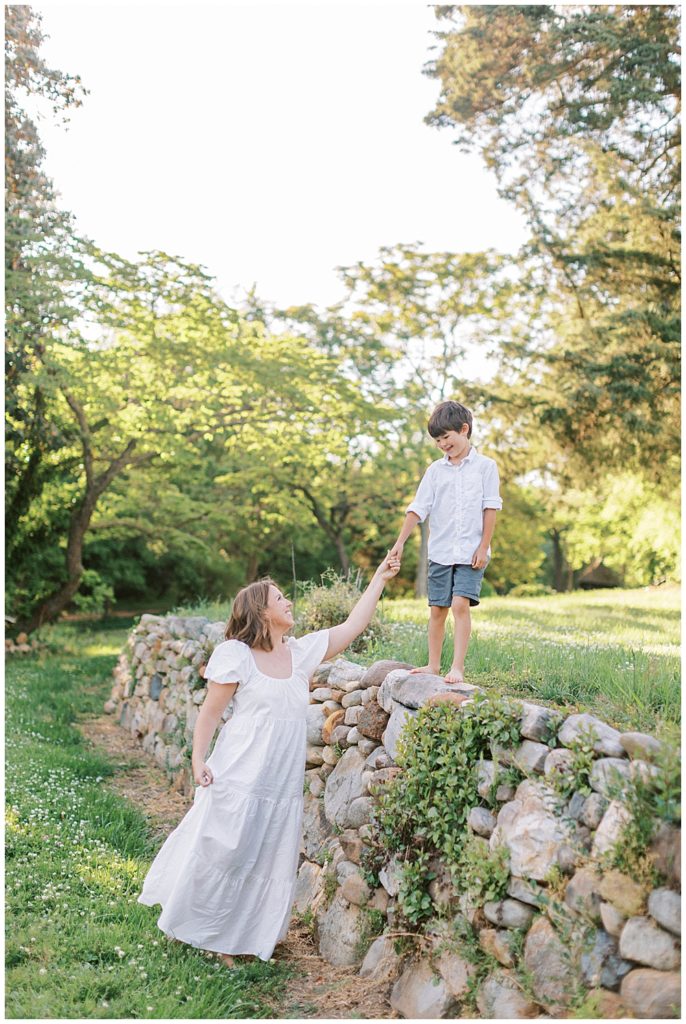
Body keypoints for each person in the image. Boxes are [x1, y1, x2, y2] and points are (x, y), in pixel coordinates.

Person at [138, 554, 400, 965]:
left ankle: (248, 933)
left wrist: (380, 578)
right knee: (227, 850)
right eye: (281, 598)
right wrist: (197, 760)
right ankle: (212, 933)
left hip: (278, 782)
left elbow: (352, 626)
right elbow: (209, 714)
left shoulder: (300, 654)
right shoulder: (236, 655)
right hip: (239, 773)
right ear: (262, 611)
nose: (289, 602)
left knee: (264, 855)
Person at [389, 400, 501, 684]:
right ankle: (433, 665)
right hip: (440, 552)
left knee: (460, 605)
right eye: (437, 440)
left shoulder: (486, 467)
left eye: (446, 438)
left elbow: (490, 508)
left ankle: (458, 667)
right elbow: (418, 508)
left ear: (464, 430)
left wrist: (483, 546)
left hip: (470, 552)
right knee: (438, 609)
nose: (442, 444)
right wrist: (399, 543)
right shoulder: (435, 471)